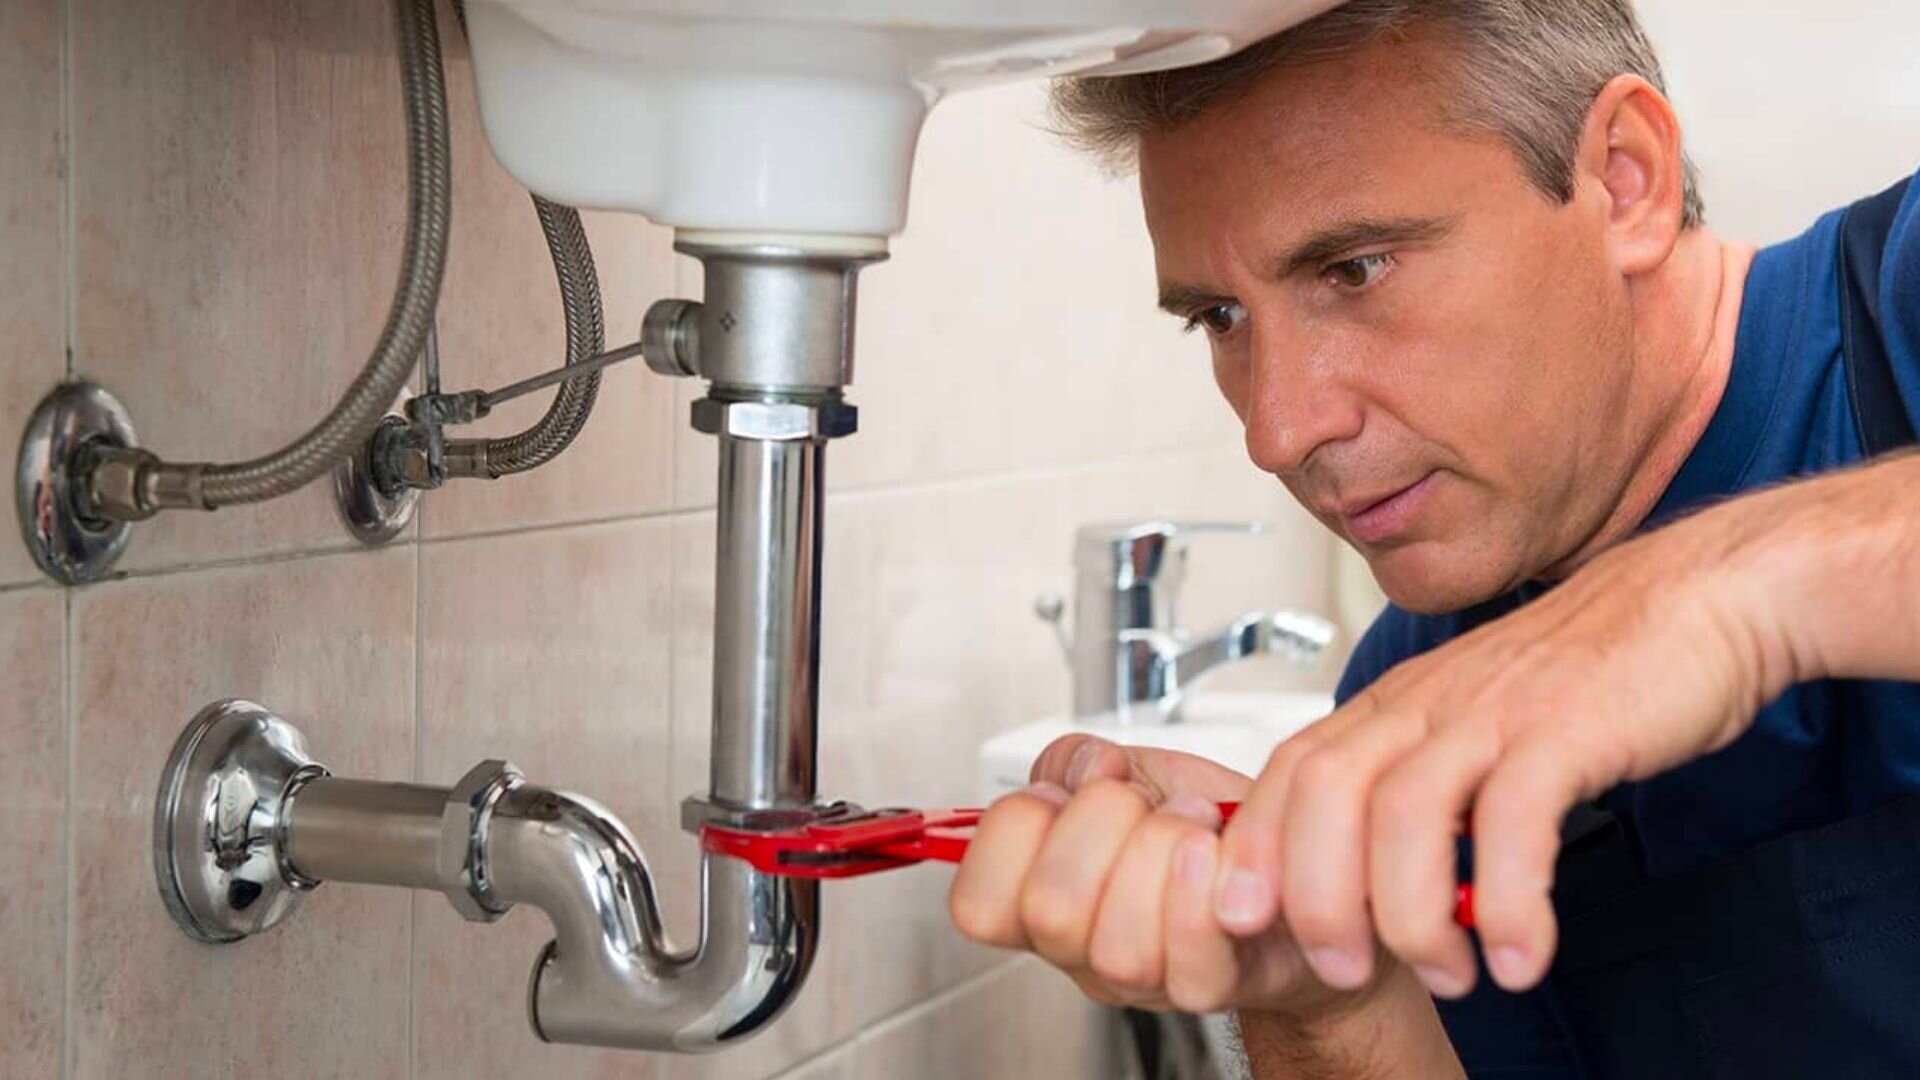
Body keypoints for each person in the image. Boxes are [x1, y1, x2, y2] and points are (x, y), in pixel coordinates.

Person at [945, 1, 1920, 1076]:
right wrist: (1324, 998)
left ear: (1623, 181)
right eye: (1221, 320)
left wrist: (1713, 592)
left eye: (1356, 269)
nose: (1278, 429)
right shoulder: (1411, 707)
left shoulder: (1898, 303)